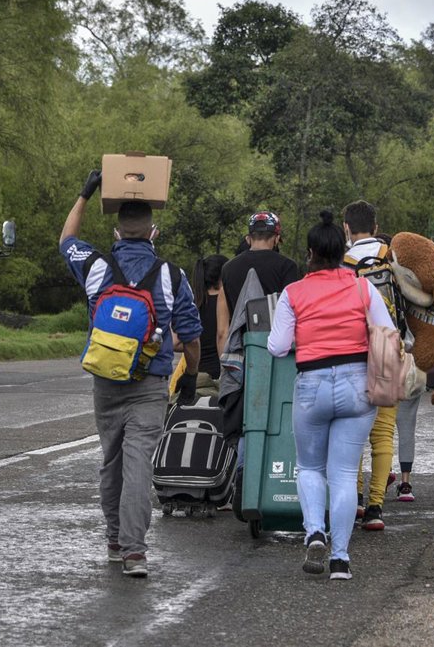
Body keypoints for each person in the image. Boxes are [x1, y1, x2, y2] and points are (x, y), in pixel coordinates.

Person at [59, 170, 203, 578]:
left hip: (106, 381)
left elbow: (66, 240)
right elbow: (192, 337)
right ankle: (134, 553)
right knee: (138, 464)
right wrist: (189, 377)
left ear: (117, 232)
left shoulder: (96, 267)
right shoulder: (172, 276)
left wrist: (86, 193)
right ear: (153, 233)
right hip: (150, 384)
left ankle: (113, 538)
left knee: (112, 459)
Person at [267, 211, 394, 581]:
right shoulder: (363, 289)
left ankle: (314, 533)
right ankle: (340, 560)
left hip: (312, 385)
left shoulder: (294, 293)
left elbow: (277, 346)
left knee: (310, 467)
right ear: (343, 251)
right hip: (358, 386)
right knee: (343, 473)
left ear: (310, 253)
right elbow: (387, 333)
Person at [215, 212, 300, 449]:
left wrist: (227, 365)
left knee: (241, 423)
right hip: (277, 357)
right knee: (275, 419)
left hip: (239, 356)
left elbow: (223, 330)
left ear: (248, 237)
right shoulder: (288, 267)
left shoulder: (228, 269)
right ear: (276, 238)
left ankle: (241, 468)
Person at [341, 200, 400, 529]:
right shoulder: (392, 257)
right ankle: (377, 507)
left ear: (346, 228)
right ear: (376, 227)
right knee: (383, 432)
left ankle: (355, 500)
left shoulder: (342, 262)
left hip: (352, 352)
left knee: (352, 430)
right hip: (388, 347)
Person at [189, 254, 229, 381]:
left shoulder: (194, 303)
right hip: (218, 373)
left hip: (197, 373)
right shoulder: (228, 303)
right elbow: (222, 334)